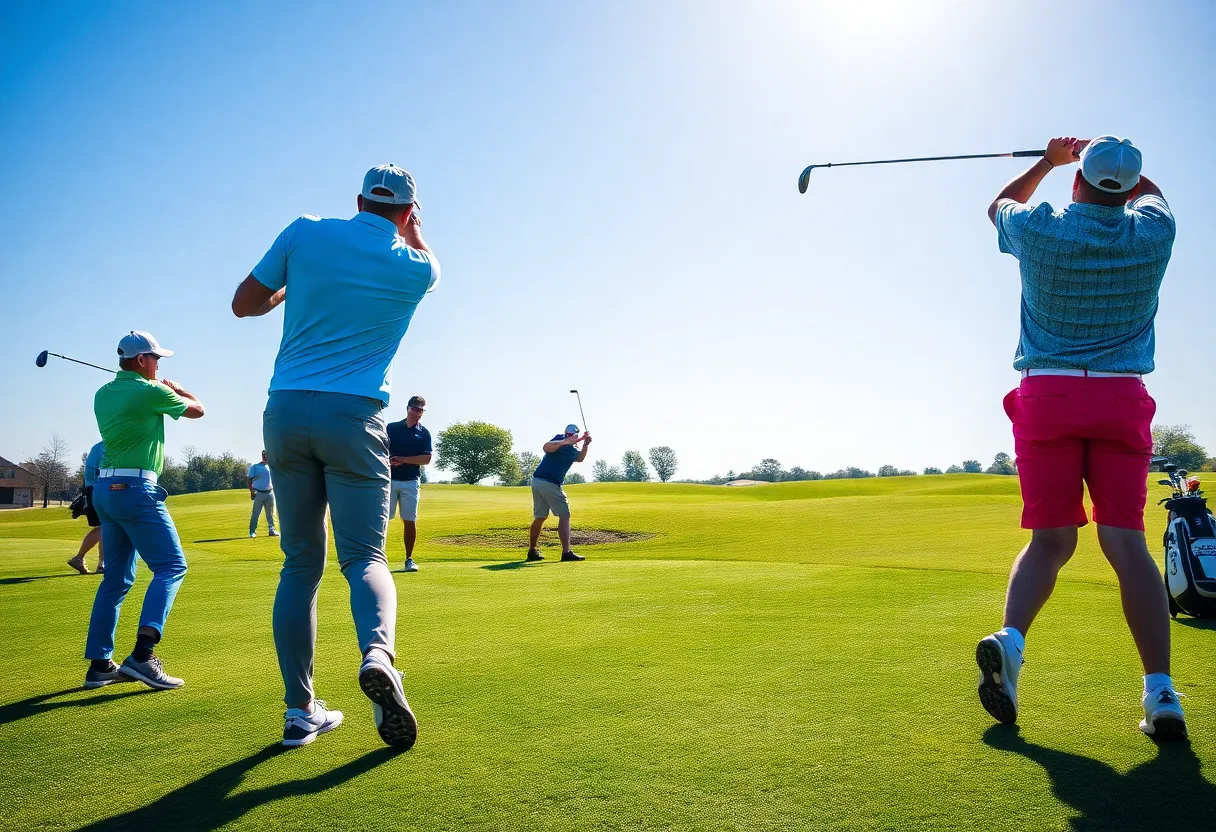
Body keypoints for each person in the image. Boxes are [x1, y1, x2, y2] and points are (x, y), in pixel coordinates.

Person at [977, 136, 1185, 738]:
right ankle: (1162, 694)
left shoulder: (1041, 228)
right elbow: (1156, 196)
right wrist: (1122, 170)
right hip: (1120, 398)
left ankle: (1010, 644)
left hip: (1047, 397)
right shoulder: (1152, 234)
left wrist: (1049, 160)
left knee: (1050, 542)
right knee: (1127, 546)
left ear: (1077, 181)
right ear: (1129, 187)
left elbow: (997, 206)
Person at [232, 163, 438, 749]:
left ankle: (300, 713)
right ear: (407, 213)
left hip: (287, 412)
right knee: (366, 557)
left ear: (357, 200)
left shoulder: (304, 230)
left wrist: (291, 283)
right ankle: (379, 655)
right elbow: (424, 254)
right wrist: (414, 233)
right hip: (355, 417)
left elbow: (245, 304)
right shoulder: (419, 267)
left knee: (300, 565)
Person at [83, 331, 205, 691]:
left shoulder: (103, 393)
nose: (158, 365)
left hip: (105, 490)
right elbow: (199, 410)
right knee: (172, 566)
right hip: (137, 489)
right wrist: (179, 390)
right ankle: (142, 655)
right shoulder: (153, 392)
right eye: (156, 359)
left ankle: (100, 665)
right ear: (141, 360)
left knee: (116, 579)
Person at [526, 424, 591, 562]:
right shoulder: (559, 439)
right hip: (548, 482)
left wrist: (585, 444)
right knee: (565, 515)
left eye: (573, 435)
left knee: (541, 516)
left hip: (538, 481)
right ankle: (566, 552)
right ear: (565, 433)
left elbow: (579, 458)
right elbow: (546, 447)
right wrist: (566, 441)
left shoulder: (573, 449)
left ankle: (532, 551)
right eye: (568, 434)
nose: (570, 436)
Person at [387, 396, 432, 572]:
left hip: (411, 481)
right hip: (389, 479)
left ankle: (409, 559)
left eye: (421, 410)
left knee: (410, 520)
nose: (417, 413)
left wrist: (404, 460)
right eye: (415, 409)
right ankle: (377, 559)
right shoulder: (392, 428)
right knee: (384, 520)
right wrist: (390, 460)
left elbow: (426, 459)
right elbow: (381, 448)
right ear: (407, 408)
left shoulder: (423, 433)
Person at [67, 440, 106, 575]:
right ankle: (80, 558)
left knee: (104, 528)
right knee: (103, 528)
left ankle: (101, 564)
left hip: (96, 490)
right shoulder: (103, 447)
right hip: (99, 491)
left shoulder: (98, 447)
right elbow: (92, 474)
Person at [247, 450, 279, 538]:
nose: (265, 457)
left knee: (271, 513)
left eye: (267, 455)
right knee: (256, 513)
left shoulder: (271, 466)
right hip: (259, 492)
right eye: (264, 455)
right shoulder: (255, 467)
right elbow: (249, 480)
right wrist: (252, 491)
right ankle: (252, 531)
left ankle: (272, 530)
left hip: (270, 492)